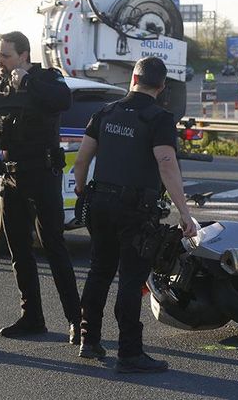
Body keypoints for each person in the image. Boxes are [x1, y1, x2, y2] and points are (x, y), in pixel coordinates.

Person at [73, 56, 197, 373]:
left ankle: (88, 340)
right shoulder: (158, 118)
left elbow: (82, 158)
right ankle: (129, 353)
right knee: (130, 279)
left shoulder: (106, 112)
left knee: (100, 270)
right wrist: (185, 214)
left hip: (100, 203)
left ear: (133, 79)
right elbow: (167, 164)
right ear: (162, 87)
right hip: (135, 210)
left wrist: (81, 187)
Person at [0, 31, 82, 343]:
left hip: (42, 173)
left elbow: (63, 99)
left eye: (5, 55)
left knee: (54, 247)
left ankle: (77, 321)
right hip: (10, 176)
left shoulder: (45, 78)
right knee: (19, 249)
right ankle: (32, 317)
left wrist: (26, 80)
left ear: (24, 56)